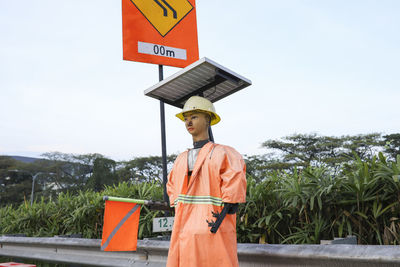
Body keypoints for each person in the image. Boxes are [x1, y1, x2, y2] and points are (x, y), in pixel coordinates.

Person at [166, 96, 247, 267]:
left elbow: (232, 197)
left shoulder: (224, 154)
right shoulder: (180, 160)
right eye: (186, 119)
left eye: (194, 117)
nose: (189, 122)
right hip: (185, 233)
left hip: (213, 231)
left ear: (208, 119)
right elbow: (174, 194)